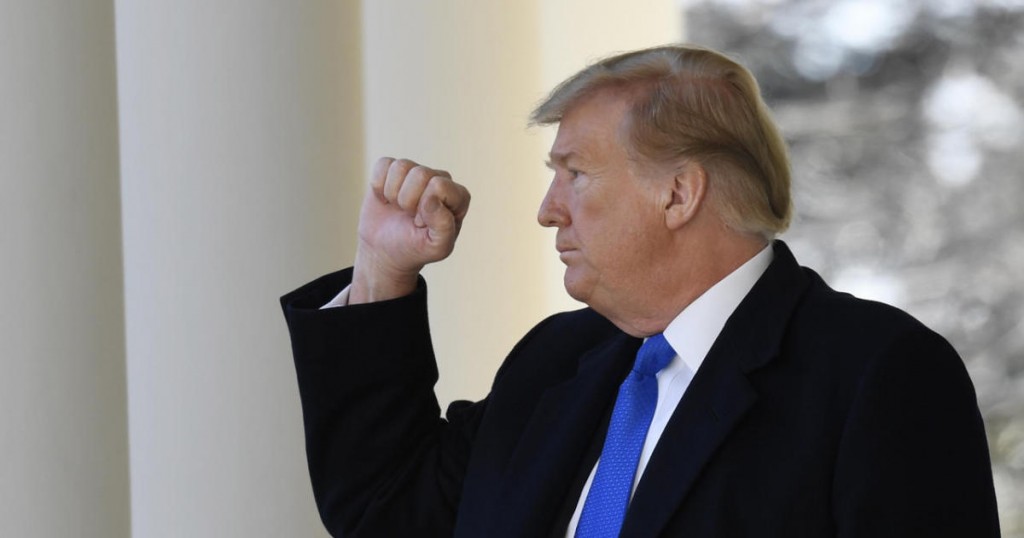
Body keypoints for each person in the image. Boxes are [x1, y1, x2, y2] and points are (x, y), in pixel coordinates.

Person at [280, 45, 1000, 537]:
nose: (548, 208)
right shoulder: (554, 362)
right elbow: (388, 514)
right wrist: (381, 271)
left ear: (679, 193)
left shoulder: (879, 373)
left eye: (576, 174)